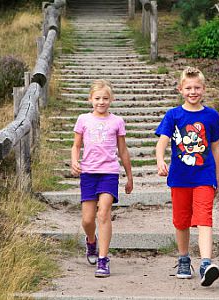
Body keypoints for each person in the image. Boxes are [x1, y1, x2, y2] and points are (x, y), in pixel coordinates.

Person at [155, 66, 219, 286]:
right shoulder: (174, 115)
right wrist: (160, 159)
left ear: (204, 89)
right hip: (180, 177)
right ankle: (184, 258)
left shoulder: (211, 115)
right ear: (180, 89)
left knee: (204, 217)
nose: (193, 91)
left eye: (197, 87)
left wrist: (217, 176)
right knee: (182, 220)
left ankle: (206, 262)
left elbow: (216, 148)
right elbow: (162, 141)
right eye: (188, 88)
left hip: (204, 175)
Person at [71, 79, 133, 277]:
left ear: (111, 99)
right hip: (88, 173)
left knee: (103, 213)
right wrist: (74, 160)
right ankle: (91, 241)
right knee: (88, 219)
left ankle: (103, 260)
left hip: (109, 173)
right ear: (90, 99)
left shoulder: (117, 122)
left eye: (105, 98)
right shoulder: (83, 120)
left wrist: (129, 176)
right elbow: (76, 145)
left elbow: (123, 150)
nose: (101, 102)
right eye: (97, 98)